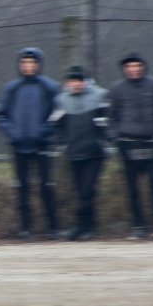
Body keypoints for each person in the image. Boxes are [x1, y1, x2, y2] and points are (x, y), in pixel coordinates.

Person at [0, 47, 61, 240]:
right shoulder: (12, 88)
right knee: (22, 188)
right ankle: (25, 228)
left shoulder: (50, 87)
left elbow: (58, 114)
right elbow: (0, 115)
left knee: (46, 186)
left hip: (43, 145)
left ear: (39, 64)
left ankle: (53, 228)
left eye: (32, 63)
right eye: (24, 63)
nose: (28, 66)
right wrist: (12, 133)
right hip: (18, 146)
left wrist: (44, 132)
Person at [108, 53, 153, 240]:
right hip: (128, 143)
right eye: (129, 67)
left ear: (143, 67)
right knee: (132, 188)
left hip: (151, 142)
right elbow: (112, 117)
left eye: (136, 66)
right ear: (124, 69)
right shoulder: (117, 89)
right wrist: (115, 138)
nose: (133, 70)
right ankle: (138, 226)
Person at [50, 66, 108, 240]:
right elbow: (55, 124)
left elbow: (106, 121)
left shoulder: (98, 96)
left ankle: (83, 225)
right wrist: (63, 143)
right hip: (74, 152)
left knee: (87, 190)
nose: (75, 84)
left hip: (94, 152)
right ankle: (88, 226)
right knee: (81, 191)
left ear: (84, 82)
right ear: (67, 83)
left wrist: (104, 140)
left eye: (78, 81)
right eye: (72, 81)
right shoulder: (61, 100)